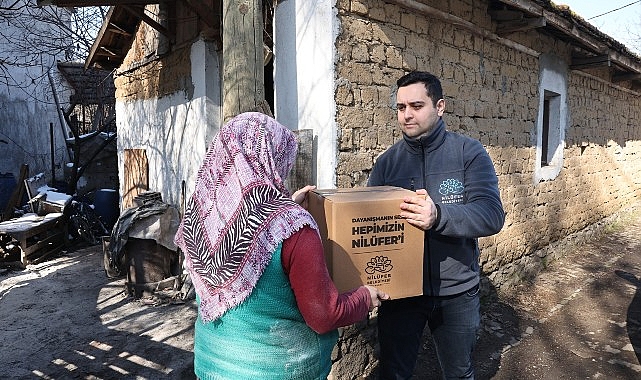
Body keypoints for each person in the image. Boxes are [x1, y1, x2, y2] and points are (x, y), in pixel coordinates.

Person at [174, 112, 389, 380]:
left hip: (212, 365)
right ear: (271, 158)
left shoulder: (203, 217)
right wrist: (363, 297)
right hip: (275, 369)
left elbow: (250, 227)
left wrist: (286, 204)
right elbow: (323, 316)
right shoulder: (294, 227)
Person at [368, 71, 505, 379]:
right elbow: (371, 224)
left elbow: (491, 214)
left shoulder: (469, 153)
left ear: (440, 106)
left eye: (416, 106)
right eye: (401, 107)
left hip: (457, 291)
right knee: (394, 372)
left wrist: (439, 216)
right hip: (401, 294)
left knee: (458, 372)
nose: (406, 115)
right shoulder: (387, 163)